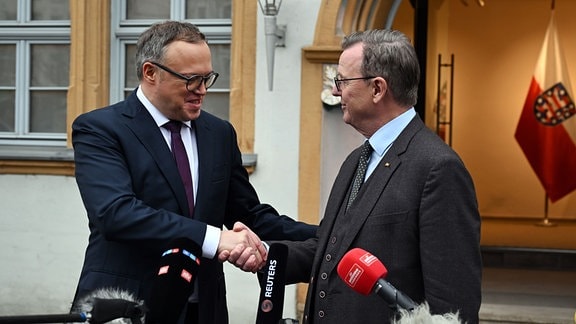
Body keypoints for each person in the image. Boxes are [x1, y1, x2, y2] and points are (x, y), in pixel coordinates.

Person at [70, 20, 316, 324]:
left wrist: (331, 234)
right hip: (127, 305)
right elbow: (116, 213)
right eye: (191, 80)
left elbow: (249, 215)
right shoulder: (101, 128)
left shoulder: (219, 133)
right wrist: (216, 239)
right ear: (150, 73)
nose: (202, 90)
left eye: (207, 78)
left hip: (205, 309)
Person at [279, 29, 482, 323]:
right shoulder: (356, 160)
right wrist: (265, 253)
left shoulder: (438, 168)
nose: (336, 91)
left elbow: (453, 307)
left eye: (343, 81)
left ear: (377, 89)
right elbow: (330, 249)